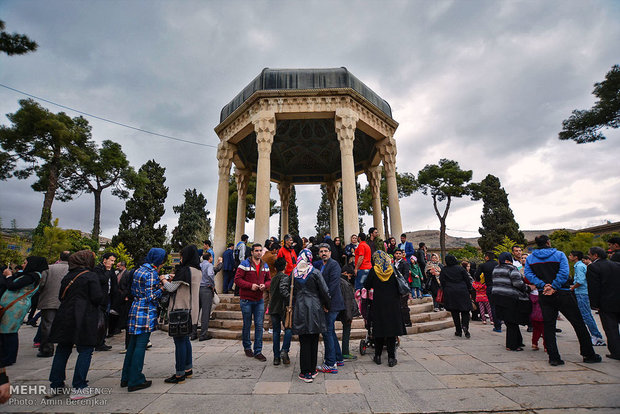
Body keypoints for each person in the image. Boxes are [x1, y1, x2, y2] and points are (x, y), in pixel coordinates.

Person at [524, 235, 601, 366]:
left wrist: (543, 285)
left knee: (548, 326)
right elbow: (564, 273)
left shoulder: (530, 258)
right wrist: (554, 286)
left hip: (545, 294)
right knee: (578, 323)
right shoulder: (559, 255)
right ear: (548, 242)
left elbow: (529, 274)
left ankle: (554, 357)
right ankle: (588, 354)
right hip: (563, 293)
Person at [46, 251, 102, 400]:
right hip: (83, 317)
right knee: (85, 350)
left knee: (62, 350)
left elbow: (60, 296)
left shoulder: (68, 276)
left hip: (65, 316)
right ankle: (79, 386)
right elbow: (97, 297)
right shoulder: (90, 276)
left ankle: (55, 385)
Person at [281, 249, 331, 382]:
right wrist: (327, 305)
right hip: (315, 308)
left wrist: (292, 300)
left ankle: (304, 372)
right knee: (314, 339)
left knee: (304, 341)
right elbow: (325, 290)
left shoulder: (294, 272)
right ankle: (312, 370)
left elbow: (284, 288)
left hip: (299, 308)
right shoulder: (315, 272)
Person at [121, 248, 167, 392]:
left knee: (133, 345)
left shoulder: (139, 270)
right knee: (141, 345)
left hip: (135, 307)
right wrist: (163, 288)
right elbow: (151, 297)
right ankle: (135, 379)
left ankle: (126, 377)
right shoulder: (151, 273)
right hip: (145, 311)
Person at [161, 245, 201, 384]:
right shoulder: (197, 270)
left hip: (180, 309)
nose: (181, 259)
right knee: (185, 340)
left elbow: (172, 288)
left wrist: (164, 280)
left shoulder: (185, 270)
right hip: (192, 310)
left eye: (182, 256)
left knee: (179, 342)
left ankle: (179, 374)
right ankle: (188, 369)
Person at [0, 256, 46, 367]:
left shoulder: (32, 276)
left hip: (16, 307)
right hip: (13, 306)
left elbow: (12, 286)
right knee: (6, 331)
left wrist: (9, 276)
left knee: (10, 330)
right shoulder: (29, 275)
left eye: (25, 263)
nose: (23, 265)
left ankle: (9, 357)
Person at [364, 250, 406, 367]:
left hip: (379, 304)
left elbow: (367, 285)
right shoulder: (392, 269)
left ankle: (377, 356)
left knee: (379, 329)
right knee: (391, 330)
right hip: (393, 304)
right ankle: (391, 358)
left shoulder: (374, 270)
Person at [235, 243, 271, 361]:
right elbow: (237, 280)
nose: (259, 253)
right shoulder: (244, 264)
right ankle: (247, 347)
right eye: (256, 251)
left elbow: (269, 280)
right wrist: (251, 286)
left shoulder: (265, 265)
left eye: (260, 251)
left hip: (259, 300)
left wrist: (264, 286)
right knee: (247, 324)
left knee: (259, 325)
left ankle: (258, 351)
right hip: (246, 300)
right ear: (252, 252)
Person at [491, 252, 531, 351]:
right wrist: (528, 288)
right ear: (509, 260)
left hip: (497, 296)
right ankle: (512, 345)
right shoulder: (512, 269)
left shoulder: (496, 269)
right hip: (510, 298)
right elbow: (518, 283)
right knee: (513, 321)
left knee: (509, 321)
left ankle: (518, 341)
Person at [586, 246, 620, 360]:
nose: (589, 257)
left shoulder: (593, 267)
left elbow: (594, 287)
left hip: (605, 302)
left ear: (595, 255)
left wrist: (594, 304)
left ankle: (616, 352)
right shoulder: (616, 265)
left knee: (611, 329)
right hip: (617, 299)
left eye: (590, 255)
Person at [316, 243, 345, 373]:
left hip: (332, 304)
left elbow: (332, 287)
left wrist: (326, 304)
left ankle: (330, 363)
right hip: (329, 303)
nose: (323, 253)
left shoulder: (334, 265)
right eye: (321, 251)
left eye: (326, 251)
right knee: (330, 331)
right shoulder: (322, 265)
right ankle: (338, 358)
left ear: (330, 252)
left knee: (327, 332)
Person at [36, 251, 70, 358]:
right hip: (66, 301)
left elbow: (41, 284)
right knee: (65, 325)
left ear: (59, 257)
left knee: (47, 325)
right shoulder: (73, 269)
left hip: (49, 300)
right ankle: (64, 346)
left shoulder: (49, 268)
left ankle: (47, 349)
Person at [569, 250, 605, 346]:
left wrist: (572, 287)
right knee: (586, 315)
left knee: (586, 315)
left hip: (582, 293)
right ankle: (595, 335)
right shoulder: (580, 265)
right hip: (583, 292)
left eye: (570, 255)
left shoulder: (579, 266)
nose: (569, 257)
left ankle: (596, 336)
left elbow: (580, 280)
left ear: (576, 257)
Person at [440, 255, 473, 338]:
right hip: (462, 290)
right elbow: (467, 280)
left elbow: (442, 281)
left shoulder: (444, 269)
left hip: (450, 291)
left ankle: (458, 330)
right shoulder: (460, 268)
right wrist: (469, 290)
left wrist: (445, 289)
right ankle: (465, 326)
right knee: (465, 311)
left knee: (455, 312)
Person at [268, 257, 292, 365]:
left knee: (276, 332)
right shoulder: (285, 277)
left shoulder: (273, 278)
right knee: (288, 328)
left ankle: (276, 357)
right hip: (282, 308)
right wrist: (291, 299)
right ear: (285, 266)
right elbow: (283, 291)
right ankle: (284, 349)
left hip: (273, 307)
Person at [94, 252, 117, 351]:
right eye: (111, 260)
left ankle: (101, 341)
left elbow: (114, 284)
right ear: (105, 260)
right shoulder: (98, 269)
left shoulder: (111, 271)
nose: (112, 263)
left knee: (104, 321)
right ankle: (97, 342)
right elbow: (102, 280)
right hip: (99, 299)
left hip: (108, 298)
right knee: (99, 322)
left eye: (114, 261)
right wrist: (107, 270)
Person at [475, 251, 501, 332]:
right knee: (500, 305)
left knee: (492, 306)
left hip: (490, 286)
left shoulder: (483, 265)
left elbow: (477, 275)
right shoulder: (498, 264)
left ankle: (497, 326)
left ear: (487, 257)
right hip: (499, 286)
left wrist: (480, 281)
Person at [199, 252, 222, 341]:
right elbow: (210, 274)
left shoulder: (199, 265)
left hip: (198, 288)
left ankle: (193, 333)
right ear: (210, 258)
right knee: (206, 311)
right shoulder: (208, 265)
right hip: (206, 288)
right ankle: (203, 334)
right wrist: (212, 285)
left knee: (198, 309)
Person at [338, 264, 359, 361]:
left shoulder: (337, 280)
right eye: (350, 276)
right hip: (345, 312)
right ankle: (345, 352)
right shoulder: (344, 283)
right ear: (345, 273)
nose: (350, 278)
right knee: (346, 331)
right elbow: (347, 301)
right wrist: (349, 316)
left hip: (340, 310)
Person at [393, 249, 412, 327]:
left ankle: (407, 321)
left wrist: (401, 283)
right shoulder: (393, 263)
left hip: (403, 287)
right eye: (396, 253)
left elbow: (406, 275)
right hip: (396, 287)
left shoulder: (405, 263)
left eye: (399, 253)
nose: (398, 255)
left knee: (404, 305)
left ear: (402, 255)